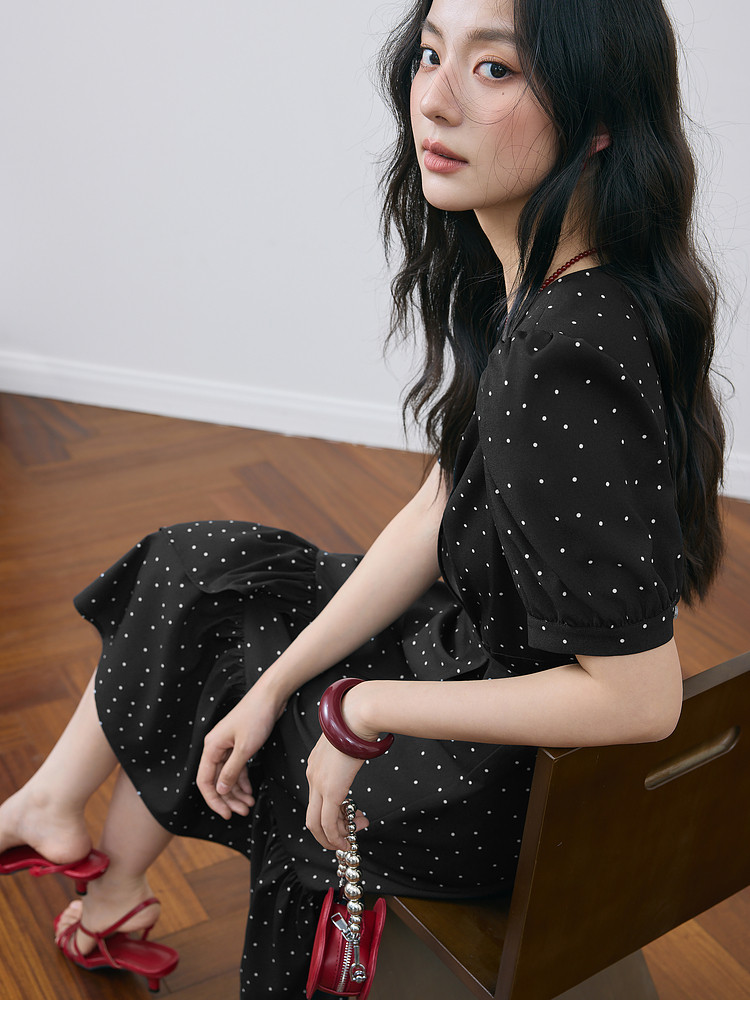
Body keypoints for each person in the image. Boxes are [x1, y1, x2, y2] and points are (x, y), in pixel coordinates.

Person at [0, 0, 727, 1000]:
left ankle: (96, 863)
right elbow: (438, 508)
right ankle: (85, 848)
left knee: (227, 648)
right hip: (481, 664)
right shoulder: (542, 282)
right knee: (204, 571)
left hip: (496, 780)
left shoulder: (563, 355)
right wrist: (280, 682)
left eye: (495, 69)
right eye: (429, 54)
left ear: (599, 116)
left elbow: (641, 699)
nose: (435, 99)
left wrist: (358, 708)